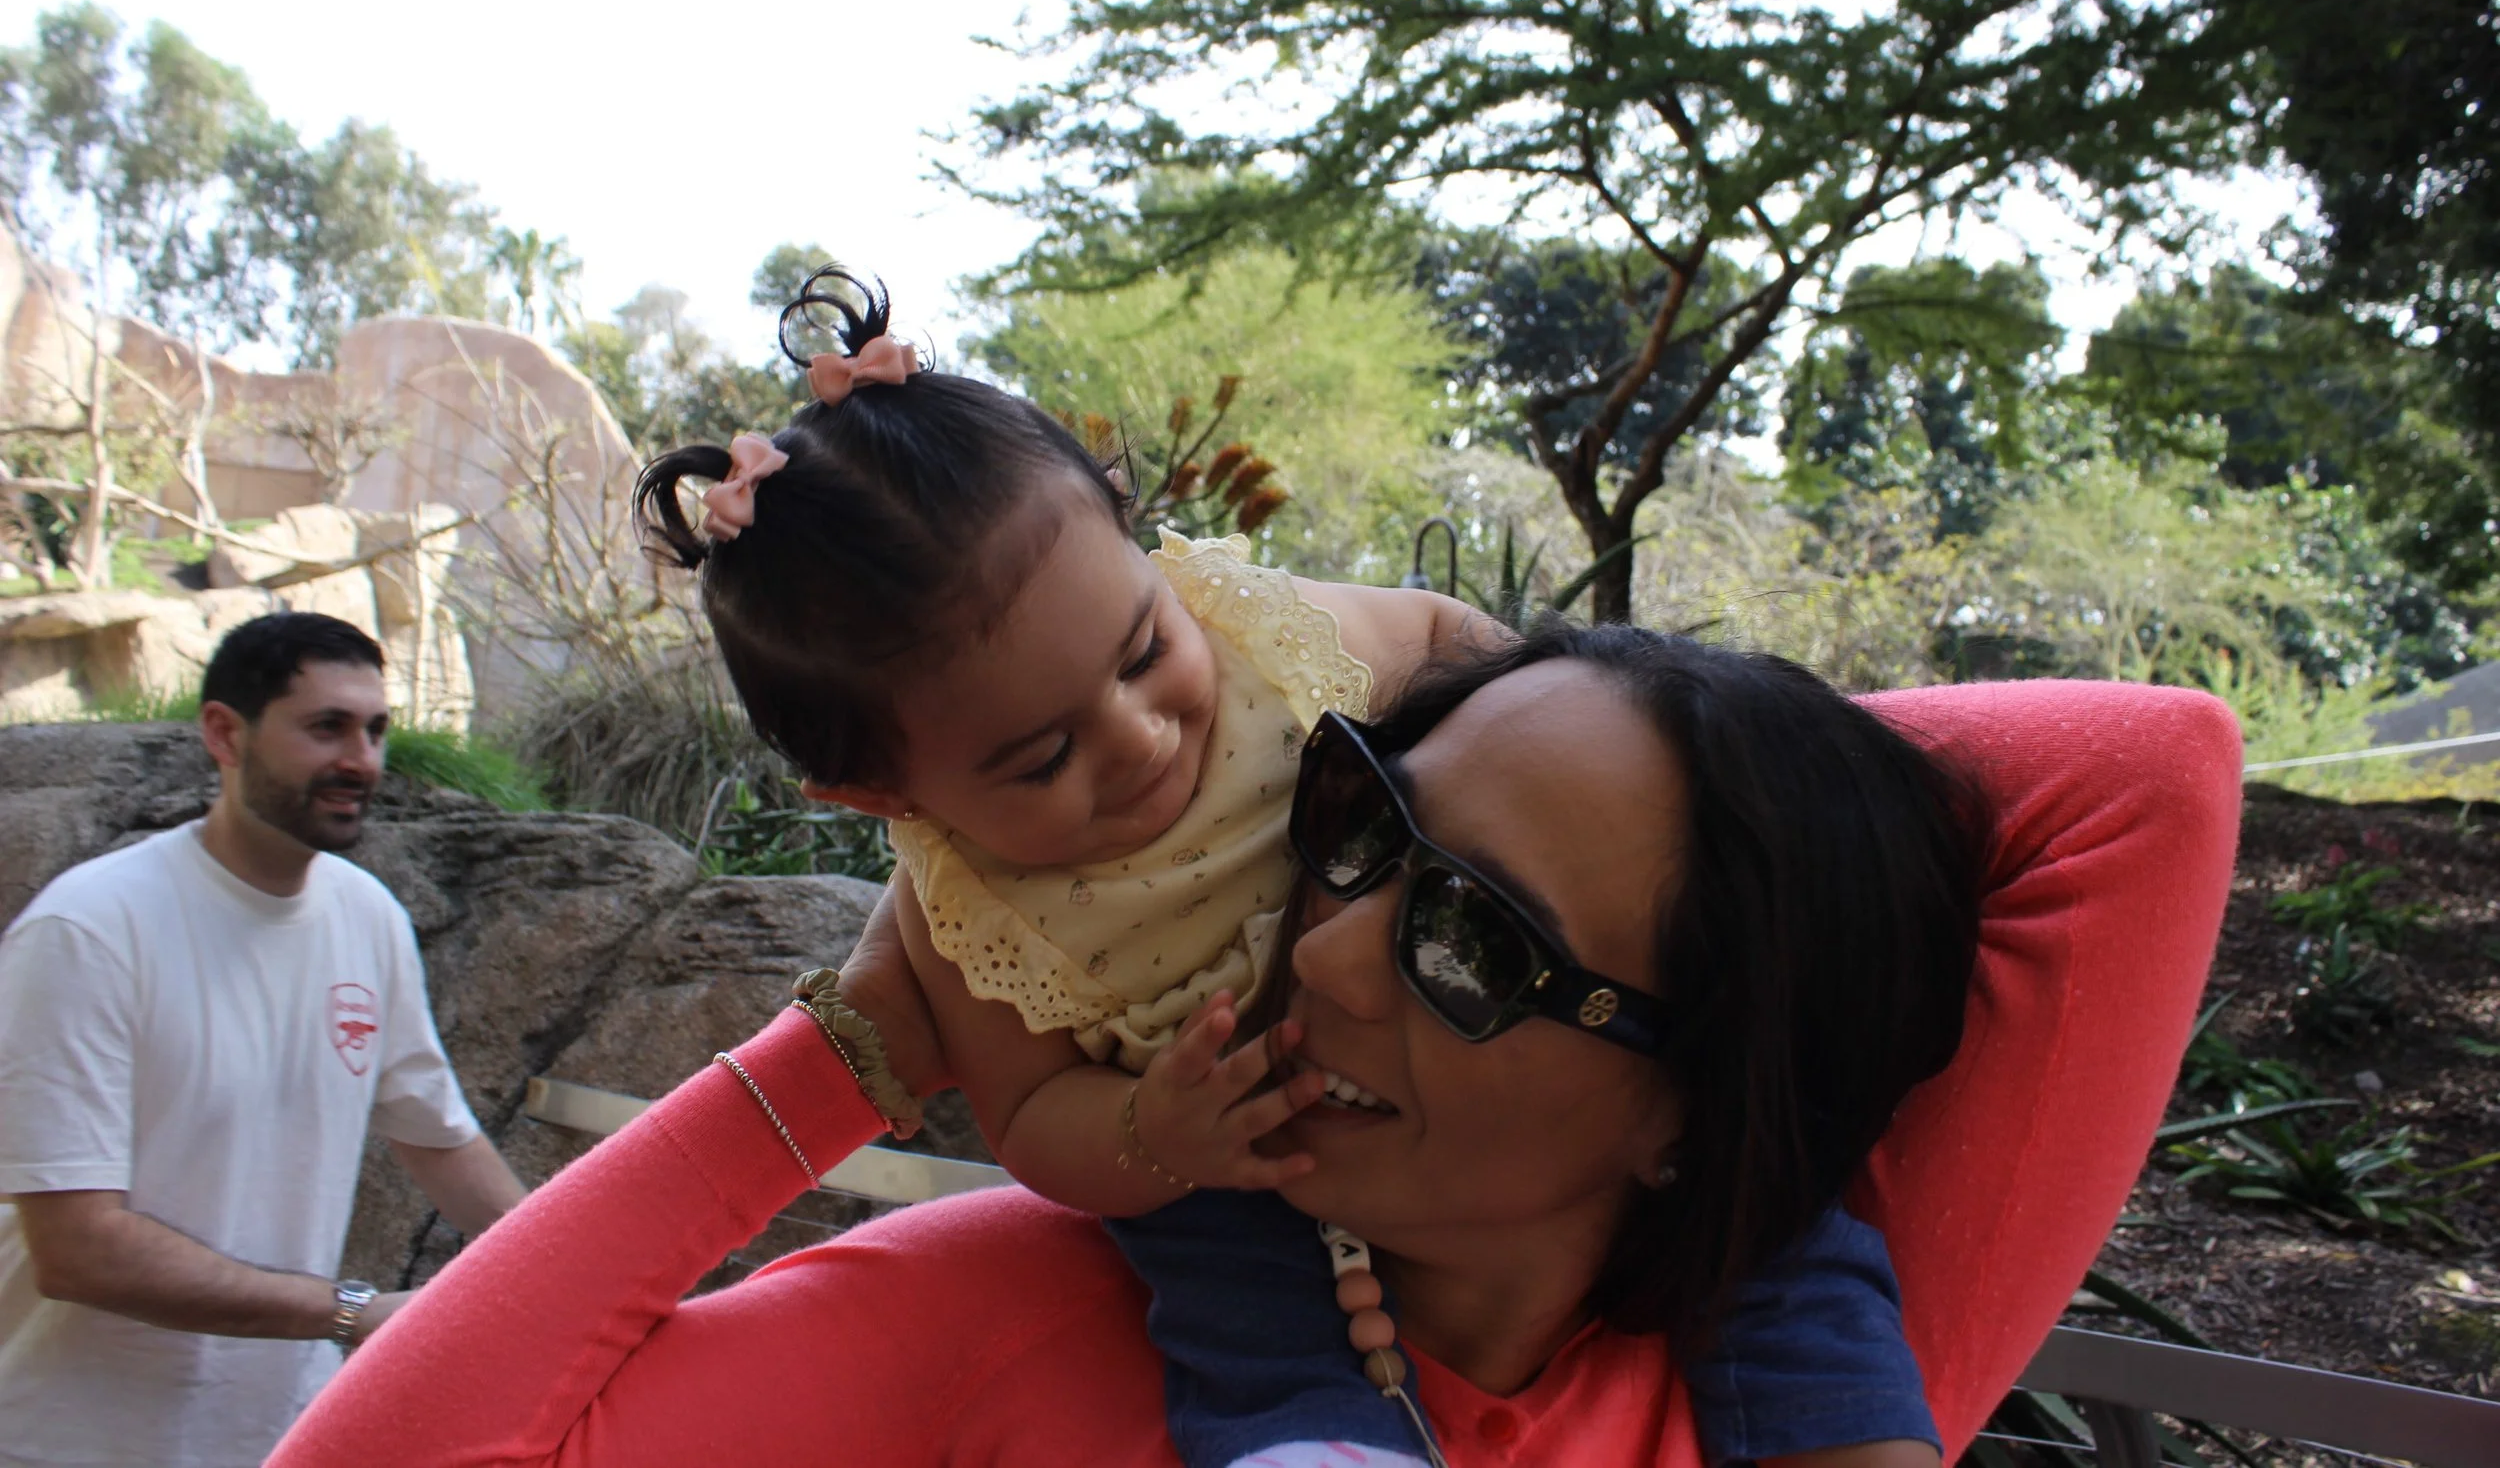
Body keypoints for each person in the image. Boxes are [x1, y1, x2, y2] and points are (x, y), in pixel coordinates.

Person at [266, 632, 2241, 1467]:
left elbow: (2150, 771)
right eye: (1361, 823)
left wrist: (1733, 753)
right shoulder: (1035, 1307)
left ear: (1694, 1107)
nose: (1335, 944)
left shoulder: (1801, 1395)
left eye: (1477, 940)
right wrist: (857, 1041)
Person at [626, 266, 1941, 1467]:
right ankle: (1315, 1443)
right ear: (884, 796)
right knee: (1230, 1286)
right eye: (1041, 758)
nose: (1138, 737)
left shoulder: (1271, 641)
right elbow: (1028, 1114)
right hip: (1232, 1142)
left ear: (1138, 536)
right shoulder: (974, 911)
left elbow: (1456, 646)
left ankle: (1847, 1427)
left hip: (1495, 1112)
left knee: (1776, 1223)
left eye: (1143, 652)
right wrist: (1153, 1133)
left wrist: (1590, 770)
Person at [0, 611, 529, 1468]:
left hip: (279, 1436)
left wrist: (579, 1281)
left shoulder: (367, 917)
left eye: (376, 729)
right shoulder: (88, 931)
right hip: (74, 1442)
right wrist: (353, 1312)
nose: (362, 759)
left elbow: (442, 1141)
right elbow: (78, 1250)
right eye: (327, 727)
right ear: (225, 733)